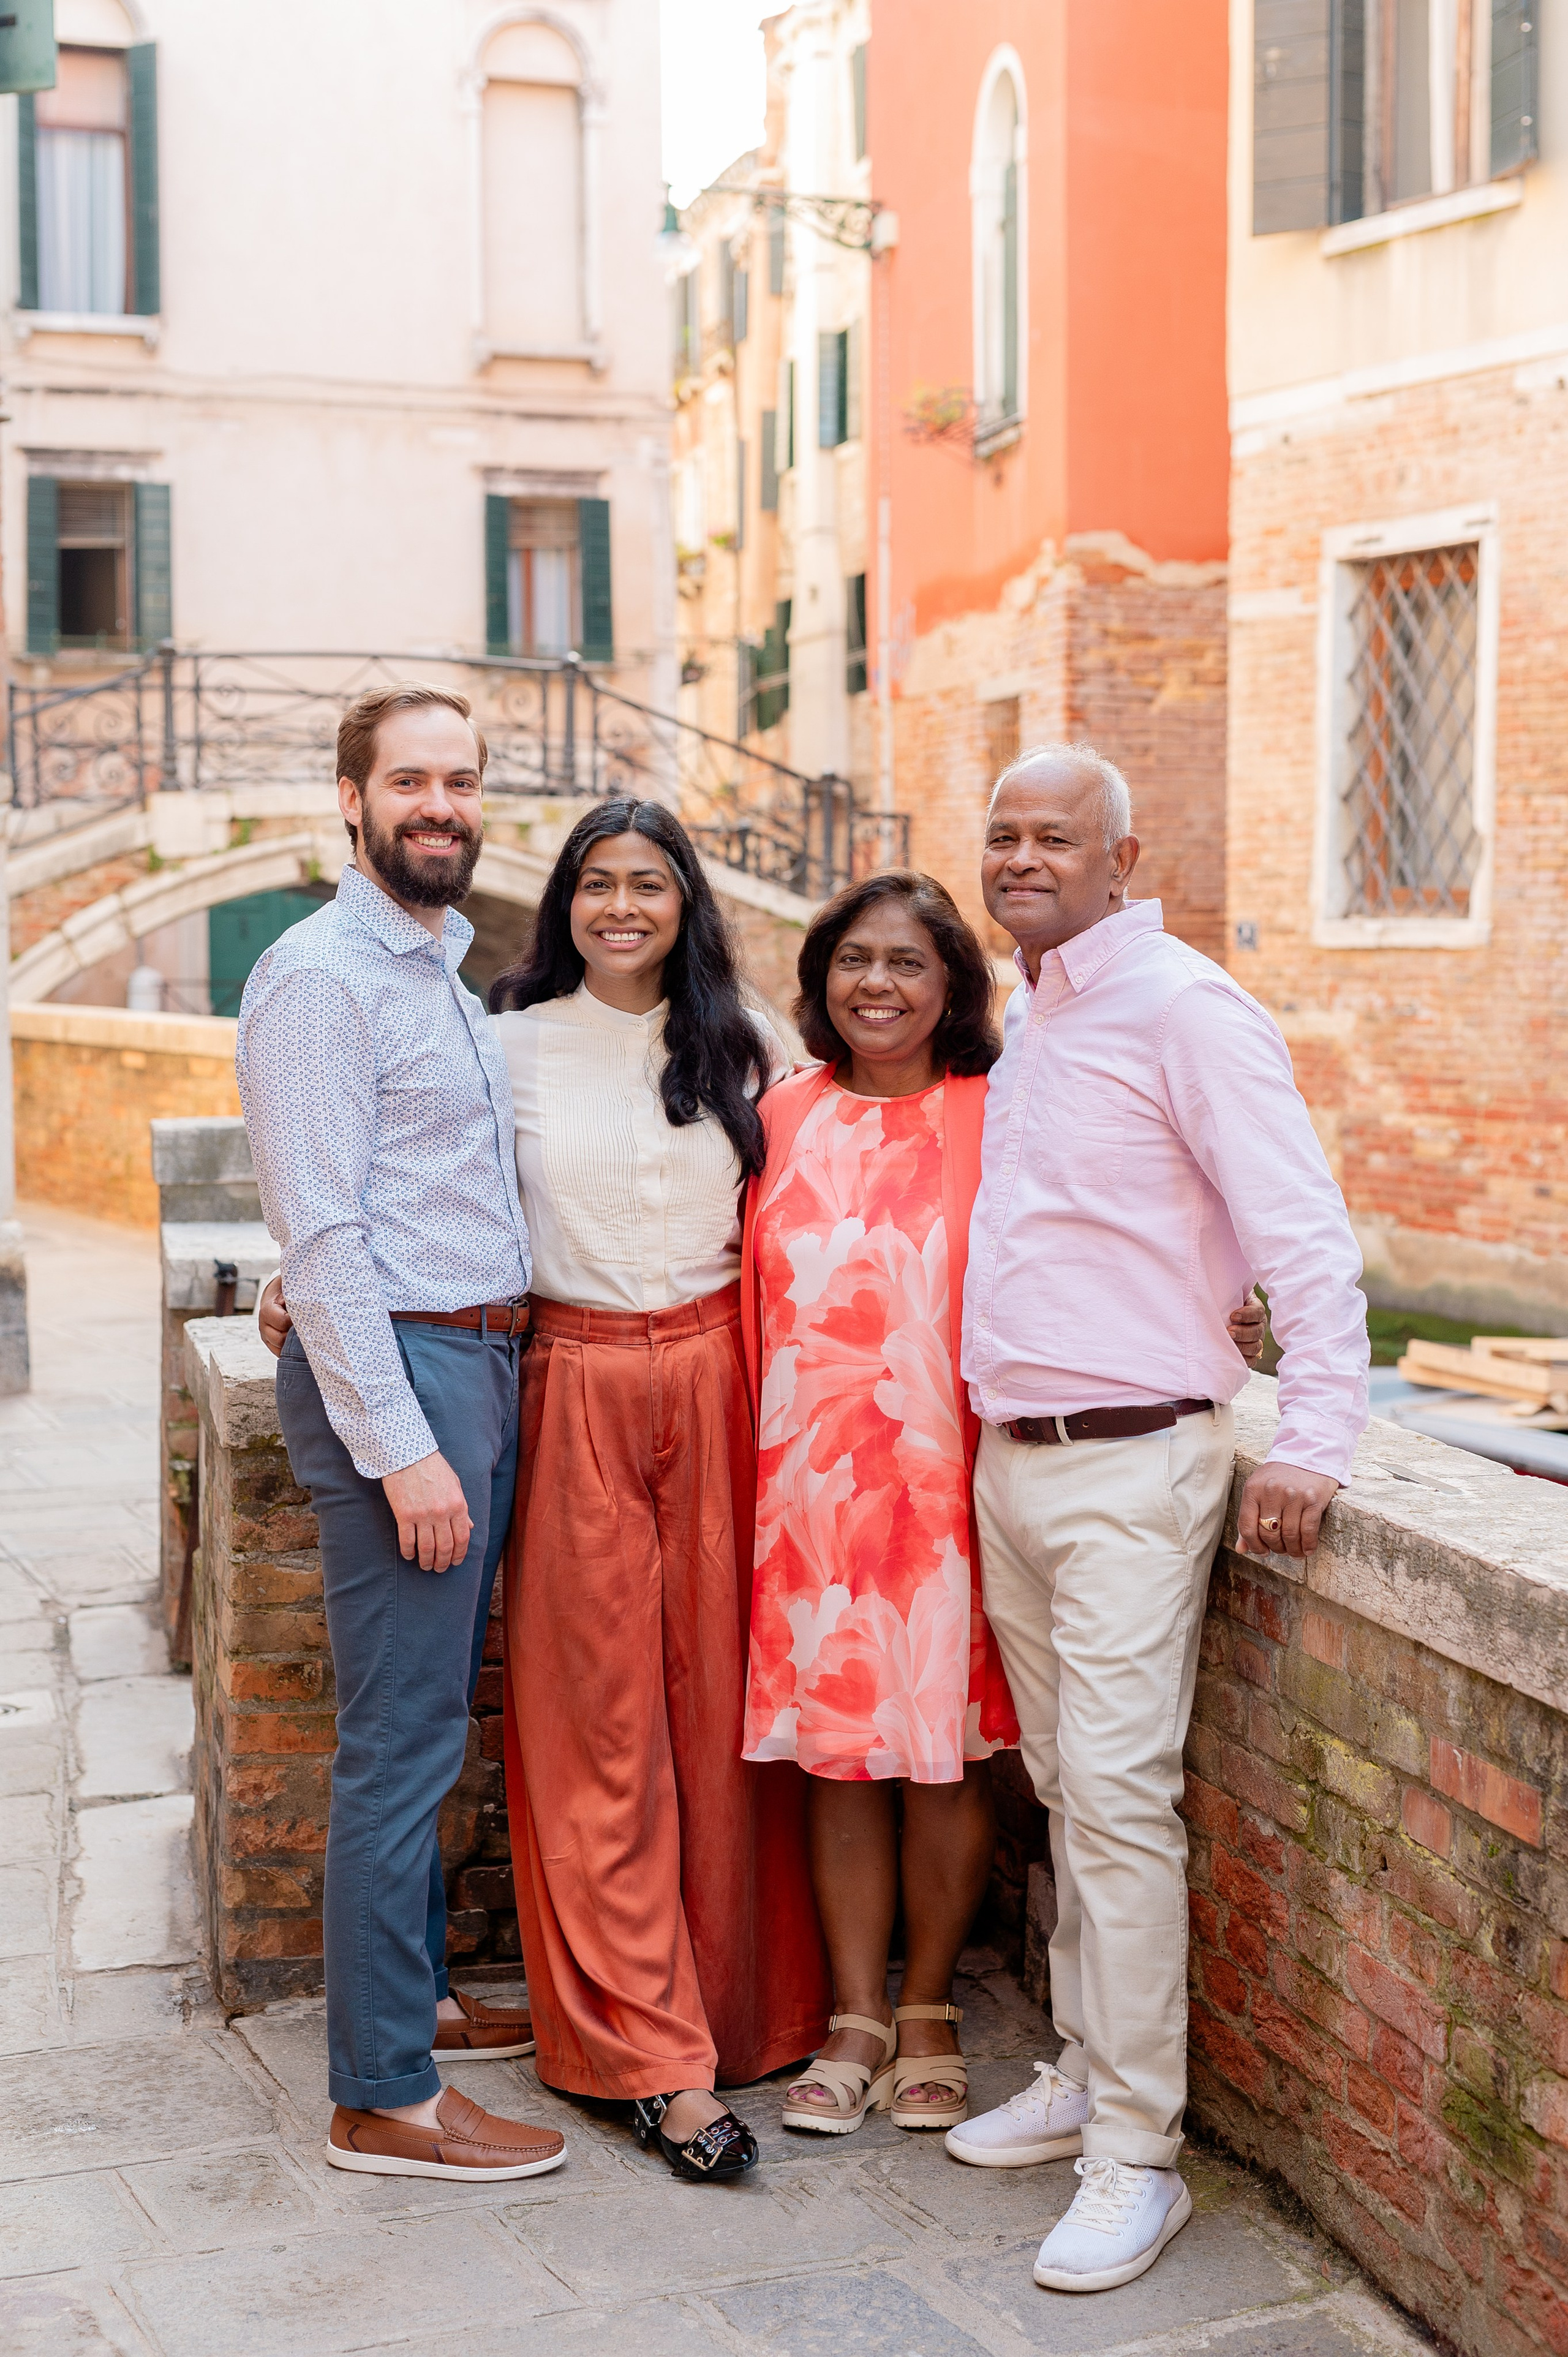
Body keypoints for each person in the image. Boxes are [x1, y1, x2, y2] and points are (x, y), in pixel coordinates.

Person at [741, 873, 1264, 2139]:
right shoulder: (777, 1115)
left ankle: (927, 2010)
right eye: (852, 960)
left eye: (907, 963)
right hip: (807, 1495)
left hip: (956, 1487)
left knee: (947, 1760)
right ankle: (855, 2016)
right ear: (818, 978)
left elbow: (1128, 1218)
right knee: (837, 1759)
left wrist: (1230, 1303)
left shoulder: (996, 1108)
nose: (876, 984)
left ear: (953, 985)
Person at [946, 743, 1370, 2295]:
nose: (1021, 858)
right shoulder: (1039, 1015)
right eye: (1002, 834)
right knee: (1068, 1788)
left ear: (1120, 861)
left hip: (1136, 1464)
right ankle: (1081, 2071)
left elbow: (1300, 1231)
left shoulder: (1185, 1008)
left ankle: (1138, 2152)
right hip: (1015, 1459)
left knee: (1118, 1803)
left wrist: (1312, 1435)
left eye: (1054, 838)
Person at [241, 682, 564, 2185]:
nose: (440, 805)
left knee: (431, 1721)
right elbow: (325, 1228)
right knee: (401, 1740)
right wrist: (401, 1443)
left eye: (462, 780)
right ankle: (383, 2096)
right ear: (352, 800)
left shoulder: (438, 965)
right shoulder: (320, 976)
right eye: (410, 781)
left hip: (470, 1358)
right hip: (413, 1377)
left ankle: (416, 2000)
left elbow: (388, 1189)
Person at [488, 798, 832, 2184]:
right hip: (569, 1380)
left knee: (728, 1712)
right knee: (596, 1726)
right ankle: (648, 2057)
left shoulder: (749, 1042)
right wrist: (296, 1279)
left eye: (648, 883)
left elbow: (848, 1204)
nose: (620, 906)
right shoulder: (505, 1044)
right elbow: (420, 1192)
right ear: (563, 901)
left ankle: (744, 2013)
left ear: (685, 899)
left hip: (725, 1381)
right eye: (596, 882)